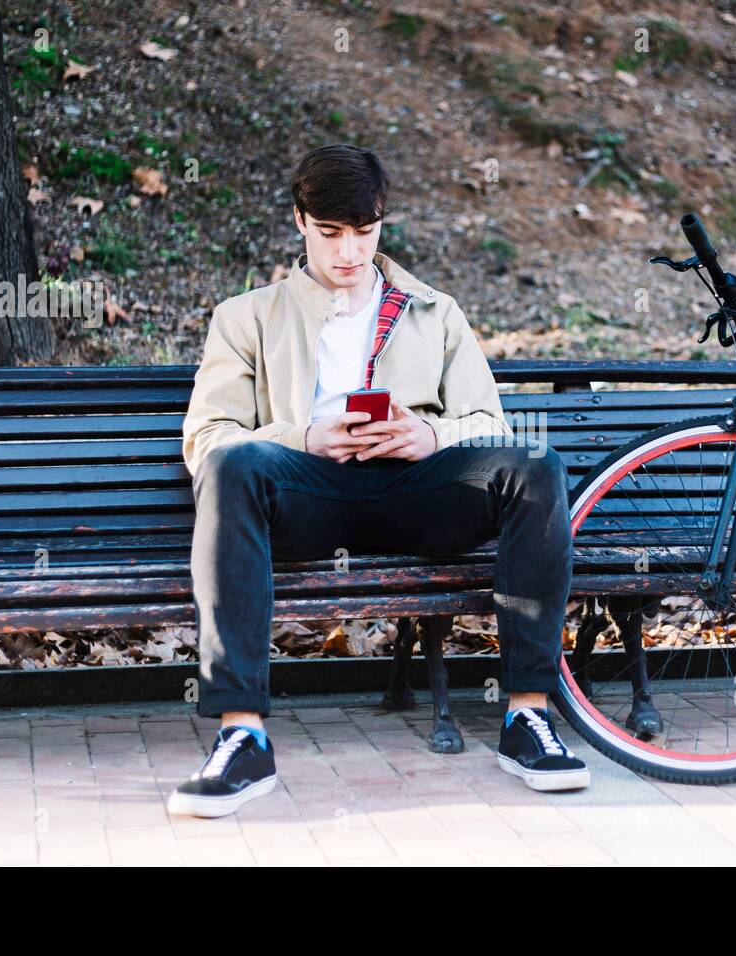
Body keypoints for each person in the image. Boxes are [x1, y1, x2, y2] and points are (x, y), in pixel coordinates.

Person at [168, 144, 588, 818]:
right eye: (331, 233)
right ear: (300, 221)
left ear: (382, 224)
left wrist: (431, 436)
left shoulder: (433, 311)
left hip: (414, 491)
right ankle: (241, 733)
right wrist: (303, 436)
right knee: (231, 463)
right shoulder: (245, 317)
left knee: (536, 467)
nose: (349, 252)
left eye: (365, 232)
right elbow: (207, 437)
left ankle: (527, 717)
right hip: (307, 490)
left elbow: (487, 419)